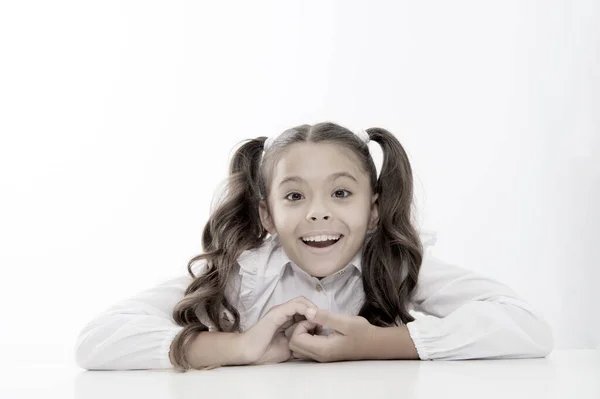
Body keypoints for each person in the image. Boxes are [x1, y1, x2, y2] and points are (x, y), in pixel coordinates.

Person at [74, 122, 554, 372]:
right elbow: (98, 340)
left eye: (341, 193)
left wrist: (382, 343)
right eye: (295, 196)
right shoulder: (243, 274)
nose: (318, 212)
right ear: (266, 215)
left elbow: (527, 327)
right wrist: (238, 347)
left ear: (372, 210)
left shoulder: (397, 265)